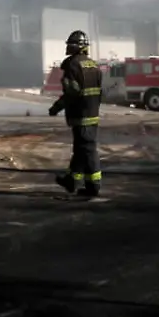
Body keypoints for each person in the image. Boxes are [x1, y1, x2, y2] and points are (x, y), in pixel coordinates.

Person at [49, 30, 104, 197]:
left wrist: (56, 107)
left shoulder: (73, 65)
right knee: (82, 149)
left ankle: (94, 185)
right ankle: (72, 181)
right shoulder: (93, 65)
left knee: (87, 150)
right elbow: (100, 92)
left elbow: (71, 92)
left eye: (69, 45)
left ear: (74, 47)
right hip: (92, 114)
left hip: (80, 116)